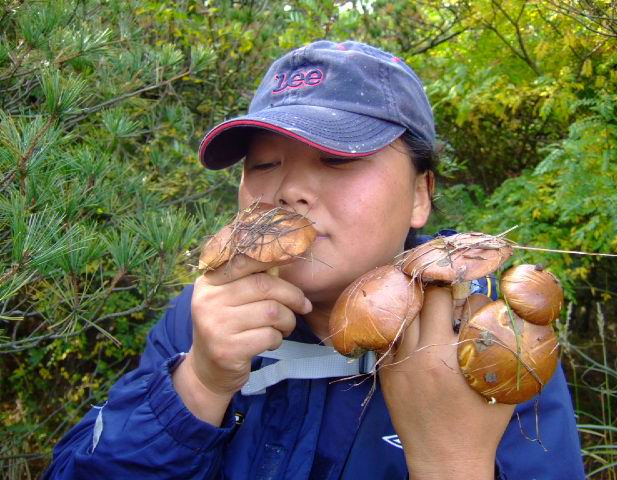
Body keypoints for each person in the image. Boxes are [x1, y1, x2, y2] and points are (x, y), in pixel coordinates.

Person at [45, 40, 585, 479]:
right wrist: (200, 385)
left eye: (337, 158)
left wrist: (452, 465)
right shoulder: (199, 318)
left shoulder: (493, 336)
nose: (289, 190)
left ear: (420, 195)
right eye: (264, 165)